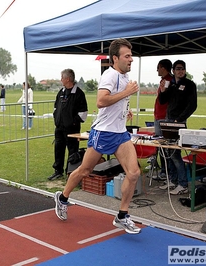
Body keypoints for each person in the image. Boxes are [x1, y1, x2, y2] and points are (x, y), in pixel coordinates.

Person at [54, 39, 142, 234]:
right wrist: (126, 93)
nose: (131, 60)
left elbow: (116, 102)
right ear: (115, 58)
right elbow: (101, 101)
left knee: (134, 173)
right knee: (85, 171)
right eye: (127, 56)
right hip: (103, 133)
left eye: (131, 56)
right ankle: (62, 197)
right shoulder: (109, 76)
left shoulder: (125, 78)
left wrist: (125, 111)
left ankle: (122, 215)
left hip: (120, 133)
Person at [158, 60, 197, 195]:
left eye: (183, 69)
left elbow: (192, 105)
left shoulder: (189, 85)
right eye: (178, 69)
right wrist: (163, 91)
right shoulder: (172, 84)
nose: (181, 71)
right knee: (168, 152)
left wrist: (179, 119)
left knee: (175, 154)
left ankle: (183, 183)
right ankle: (172, 180)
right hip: (168, 120)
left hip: (179, 121)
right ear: (173, 70)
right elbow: (163, 101)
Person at [48, 69, 88, 181]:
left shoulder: (79, 94)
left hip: (72, 129)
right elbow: (56, 108)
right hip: (59, 128)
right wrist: (57, 119)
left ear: (68, 79)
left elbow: (83, 114)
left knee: (72, 151)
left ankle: (71, 172)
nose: (60, 79)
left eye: (62, 77)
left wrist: (72, 122)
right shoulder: (61, 92)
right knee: (58, 149)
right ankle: (58, 171)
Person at [153, 59, 173, 179]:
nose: (157, 70)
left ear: (163, 68)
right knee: (161, 145)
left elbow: (163, 99)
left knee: (164, 146)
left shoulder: (168, 81)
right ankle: (164, 171)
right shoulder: (164, 80)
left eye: (158, 67)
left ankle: (166, 172)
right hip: (159, 115)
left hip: (163, 116)